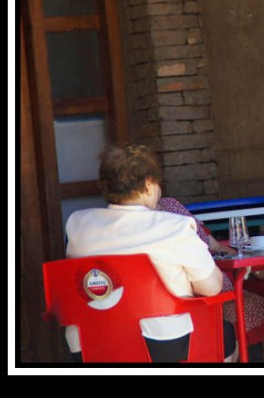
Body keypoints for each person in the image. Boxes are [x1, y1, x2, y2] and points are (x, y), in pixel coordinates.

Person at [64, 143, 237, 362]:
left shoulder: (78, 225)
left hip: (90, 343)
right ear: (148, 185)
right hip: (162, 343)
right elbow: (211, 288)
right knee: (225, 334)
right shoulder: (174, 226)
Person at [157, 197, 264, 363]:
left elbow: (217, 247)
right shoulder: (167, 221)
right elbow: (209, 284)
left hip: (206, 299)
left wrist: (252, 268)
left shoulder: (169, 206)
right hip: (207, 302)